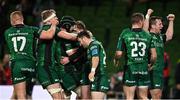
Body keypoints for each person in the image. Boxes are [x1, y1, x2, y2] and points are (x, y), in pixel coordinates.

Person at [114, 12, 157, 99]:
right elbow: (154, 56)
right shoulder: (147, 35)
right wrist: (150, 64)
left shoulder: (126, 33)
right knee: (143, 96)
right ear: (141, 22)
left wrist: (116, 60)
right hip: (143, 68)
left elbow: (119, 54)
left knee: (129, 97)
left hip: (130, 68)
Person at [4, 11, 39, 99]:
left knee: (20, 95)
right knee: (26, 95)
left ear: (12, 21)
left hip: (17, 64)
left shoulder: (7, 32)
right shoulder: (33, 29)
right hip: (32, 64)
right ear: (22, 19)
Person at [36, 9, 63, 99]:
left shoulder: (55, 29)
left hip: (51, 66)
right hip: (44, 66)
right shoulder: (41, 30)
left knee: (61, 98)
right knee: (57, 98)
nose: (57, 18)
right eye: (55, 17)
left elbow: (67, 35)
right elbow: (49, 35)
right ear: (49, 20)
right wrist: (54, 25)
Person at [148, 13, 175, 99]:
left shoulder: (159, 37)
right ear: (152, 26)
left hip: (159, 70)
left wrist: (171, 21)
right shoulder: (147, 36)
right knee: (155, 95)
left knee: (158, 96)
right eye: (160, 24)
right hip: (152, 70)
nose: (162, 26)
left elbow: (169, 36)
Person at [77, 30, 109, 99]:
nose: (80, 44)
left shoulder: (94, 45)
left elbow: (95, 57)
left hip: (100, 76)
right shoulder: (92, 46)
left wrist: (92, 71)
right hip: (97, 77)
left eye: (80, 41)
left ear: (84, 38)